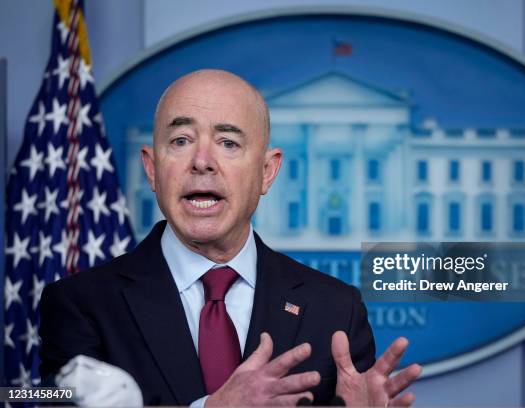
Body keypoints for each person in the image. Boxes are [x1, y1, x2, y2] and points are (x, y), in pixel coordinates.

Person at [39, 69, 421, 406]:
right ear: (152, 170)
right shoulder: (78, 304)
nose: (202, 161)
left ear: (267, 173)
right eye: (181, 140)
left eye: (228, 143)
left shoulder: (336, 308)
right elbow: (31, 396)